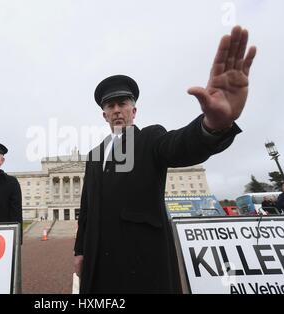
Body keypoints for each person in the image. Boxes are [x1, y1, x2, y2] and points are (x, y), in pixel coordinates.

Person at [74, 25, 257, 293]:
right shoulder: (94, 156)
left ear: (133, 110)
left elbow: (180, 146)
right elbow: (87, 208)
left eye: (122, 104)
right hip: (98, 262)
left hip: (141, 258)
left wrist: (214, 124)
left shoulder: (150, 138)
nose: (116, 110)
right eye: (110, 106)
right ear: (104, 115)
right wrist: (79, 250)